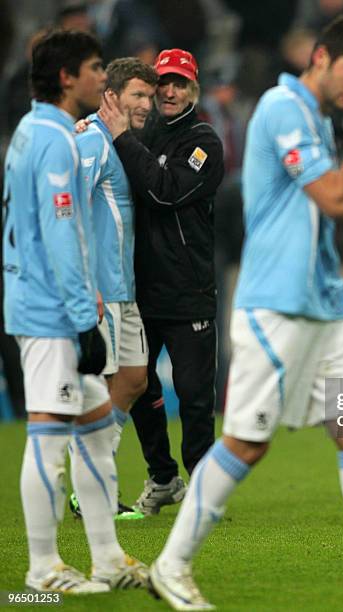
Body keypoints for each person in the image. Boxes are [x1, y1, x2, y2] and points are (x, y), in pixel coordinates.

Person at [147, 16, 343, 609]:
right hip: (278, 306)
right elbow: (336, 198)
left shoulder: (316, 117)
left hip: (324, 304)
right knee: (247, 442)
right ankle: (170, 565)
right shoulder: (281, 106)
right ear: (321, 58)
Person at [2, 30, 147, 593]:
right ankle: (42, 570)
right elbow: (61, 230)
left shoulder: (31, 131)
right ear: (67, 78)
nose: (99, 77)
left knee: (92, 433)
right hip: (50, 313)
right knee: (49, 436)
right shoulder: (59, 139)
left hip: (50, 304)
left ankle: (108, 558)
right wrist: (81, 315)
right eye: (92, 68)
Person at [98, 48, 225, 515]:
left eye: (180, 84)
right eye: (162, 84)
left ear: (194, 90)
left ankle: (203, 485)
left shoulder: (203, 142)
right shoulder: (138, 134)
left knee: (194, 398)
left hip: (189, 292)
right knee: (141, 389)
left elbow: (163, 191)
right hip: (140, 289)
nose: (169, 92)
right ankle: (163, 477)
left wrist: (120, 139)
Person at [69, 57, 158, 520]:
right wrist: (85, 283)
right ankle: (88, 488)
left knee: (133, 380)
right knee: (100, 389)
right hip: (100, 291)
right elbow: (71, 211)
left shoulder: (122, 143)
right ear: (113, 96)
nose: (146, 103)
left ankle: (89, 476)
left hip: (124, 289)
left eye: (149, 95)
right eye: (137, 95)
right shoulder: (90, 141)